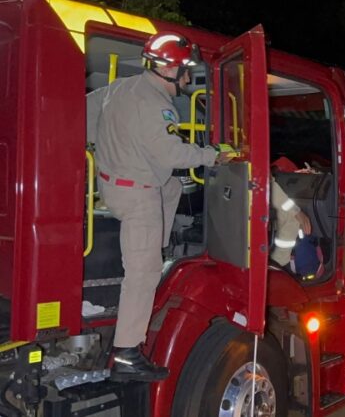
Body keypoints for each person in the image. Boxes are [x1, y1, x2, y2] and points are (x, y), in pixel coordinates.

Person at [87, 31, 235, 382]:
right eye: (185, 68)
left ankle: (159, 245)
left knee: (171, 186)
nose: (188, 76)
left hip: (113, 185)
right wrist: (214, 156)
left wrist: (118, 148)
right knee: (142, 274)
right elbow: (171, 153)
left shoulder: (121, 87)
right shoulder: (159, 104)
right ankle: (126, 352)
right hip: (138, 197)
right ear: (169, 69)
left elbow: (87, 118)